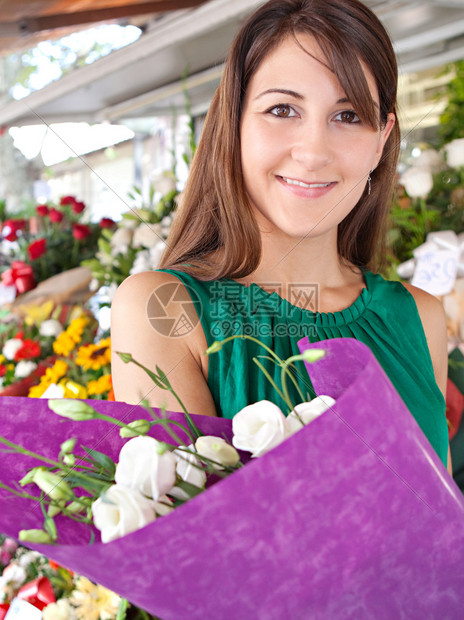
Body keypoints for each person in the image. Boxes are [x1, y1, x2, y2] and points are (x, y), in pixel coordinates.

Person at [111, 0, 450, 470]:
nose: (313, 151)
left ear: (382, 139)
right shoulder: (165, 310)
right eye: (282, 109)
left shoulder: (420, 316)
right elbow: (192, 531)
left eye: (348, 115)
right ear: (235, 124)